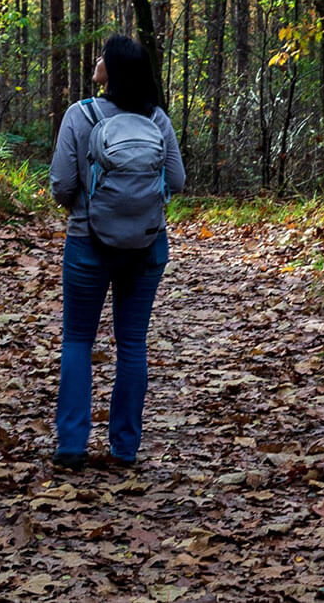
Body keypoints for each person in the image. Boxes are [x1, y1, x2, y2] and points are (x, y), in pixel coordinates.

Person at [48, 34, 186, 469]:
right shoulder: (157, 118)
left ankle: (71, 445)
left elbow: (61, 185)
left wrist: (88, 205)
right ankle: (123, 449)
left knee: (77, 340)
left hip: (87, 242)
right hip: (146, 245)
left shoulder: (80, 115)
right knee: (131, 345)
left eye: (103, 56)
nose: (97, 60)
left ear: (114, 69)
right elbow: (177, 181)